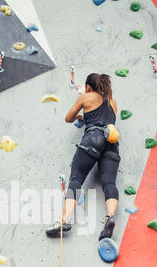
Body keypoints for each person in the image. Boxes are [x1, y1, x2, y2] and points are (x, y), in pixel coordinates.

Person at [45, 73, 120, 240]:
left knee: (76, 179)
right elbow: (100, 117)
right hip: (111, 142)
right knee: (109, 183)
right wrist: (85, 115)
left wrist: (80, 110)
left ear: (88, 87)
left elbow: (68, 118)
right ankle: (110, 217)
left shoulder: (86, 97)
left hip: (93, 139)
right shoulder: (112, 102)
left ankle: (64, 220)